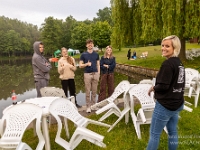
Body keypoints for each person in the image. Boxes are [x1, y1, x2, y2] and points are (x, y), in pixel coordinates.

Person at [146, 35, 185, 150]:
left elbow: (163, 86)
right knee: (172, 132)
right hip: (177, 104)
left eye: (167, 46)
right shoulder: (179, 63)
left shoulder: (167, 64)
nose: (163, 48)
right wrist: (155, 87)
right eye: (162, 45)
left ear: (175, 48)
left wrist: (154, 88)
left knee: (154, 135)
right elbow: (177, 83)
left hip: (166, 105)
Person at [79, 39, 100, 113]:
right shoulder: (83, 55)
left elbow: (98, 64)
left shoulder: (96, 54)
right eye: (88, 44)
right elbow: (80, 65)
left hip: (95, 74)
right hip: (87, 74)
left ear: (93, 45)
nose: (90, 45)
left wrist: (98, 73)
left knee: (94, 91)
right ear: (86, 45)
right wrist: (86, 64)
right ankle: (88, 106)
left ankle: (93, 105)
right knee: (88, 91)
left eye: (91, 43)